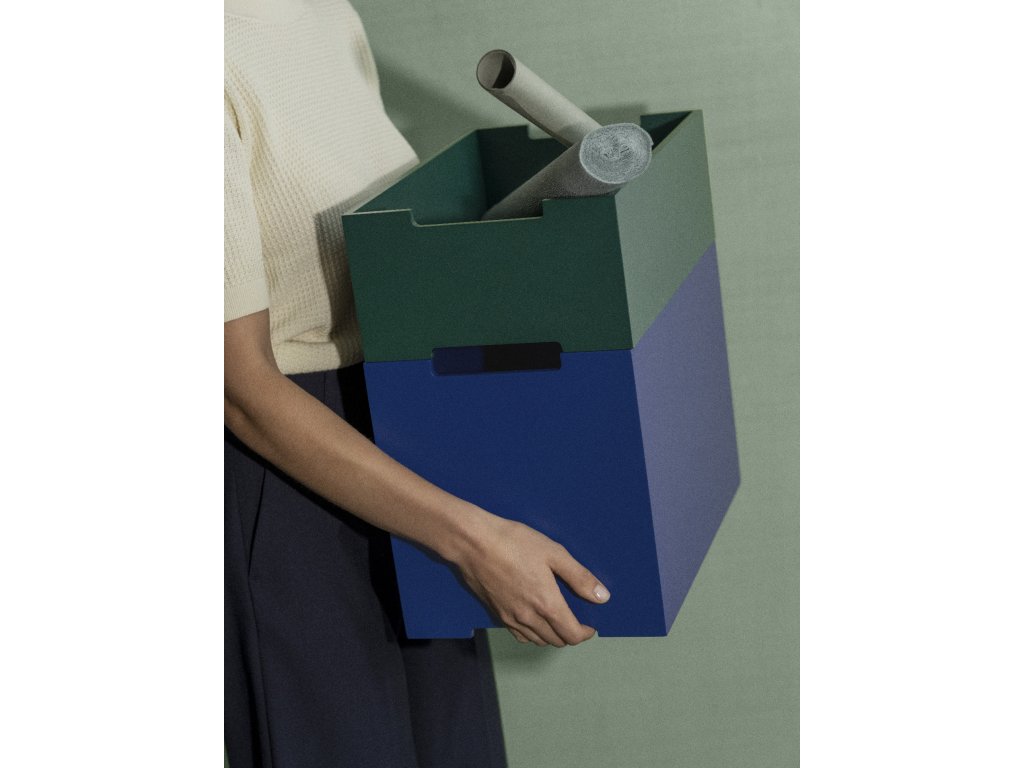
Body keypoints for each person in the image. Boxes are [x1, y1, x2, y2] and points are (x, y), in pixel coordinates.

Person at [223, 1, 611, 766]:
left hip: (404, 448)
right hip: (285, 481)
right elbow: (237, 387)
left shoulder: (324, 14)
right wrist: (474, 539)